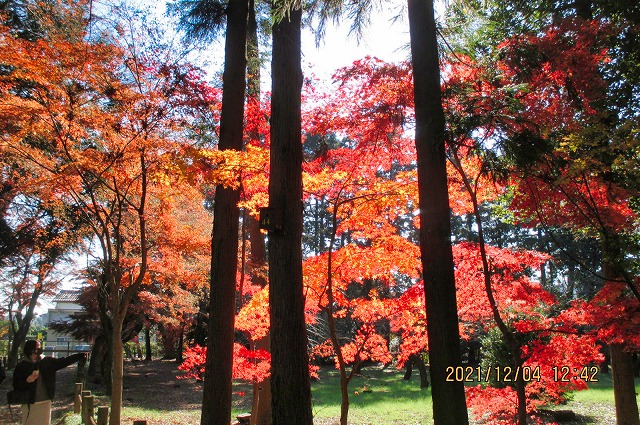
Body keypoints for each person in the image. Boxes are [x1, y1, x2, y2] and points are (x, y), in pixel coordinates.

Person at [12, 339, 86, 425]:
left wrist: (79, 355)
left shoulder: (47, 361)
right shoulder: (21, 366)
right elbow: (16, 386)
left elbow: (63, 362)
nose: (40, 349)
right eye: (38, 348)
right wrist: (27, 381)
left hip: (45, 401)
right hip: (28, 403)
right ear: (32, 350)